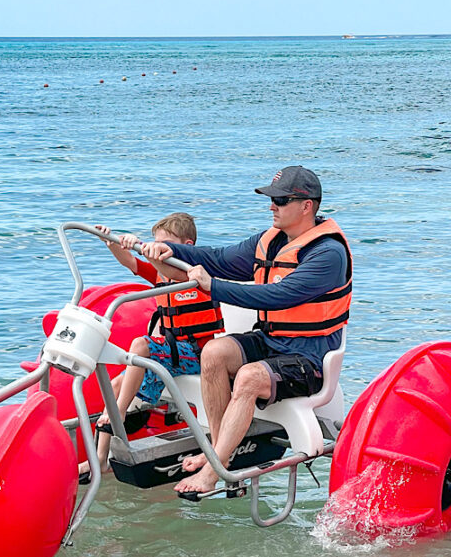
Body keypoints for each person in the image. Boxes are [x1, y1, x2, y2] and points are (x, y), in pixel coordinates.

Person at [141, 165, 352, 497]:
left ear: (306, 205)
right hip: (272, 342)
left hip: (310, 358)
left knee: (250, 377)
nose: (272, 206)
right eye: (272, 200)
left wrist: (214, 288)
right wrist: (172, 251)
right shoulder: (269, 243)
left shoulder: (328, 254)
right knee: (214, 351)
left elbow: (278, 296)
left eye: (280, 201)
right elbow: (217, 258)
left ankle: (215, 471)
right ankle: (217, 449)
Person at [78, 213, 224, 481]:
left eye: (163, 245)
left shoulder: (196, 275)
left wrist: (149, 253)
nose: (156, 250)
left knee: (140, 344)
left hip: (198, 354)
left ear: (186, 245)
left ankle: (119, 413)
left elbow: (175, 272)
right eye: (155, 243)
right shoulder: (161, 274)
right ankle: (100, 458)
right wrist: (114, 244)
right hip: (172, 354)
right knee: (116, 385)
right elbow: (132, 263)